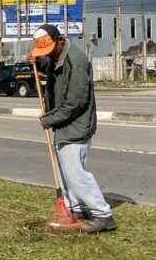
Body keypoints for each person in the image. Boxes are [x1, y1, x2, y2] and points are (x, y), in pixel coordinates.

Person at [28, 24, 117, 233]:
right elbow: (48, 65)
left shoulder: (76, 62)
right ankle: (74, 209)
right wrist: (36, 61)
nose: (47, 55)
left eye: (48, 50)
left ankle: (103, 214)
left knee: (76, 173)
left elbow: (75, 102)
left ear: (59, 41)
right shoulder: (57, 55)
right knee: (65, 171)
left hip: (76, 123)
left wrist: (48, 119)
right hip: (64, 123)